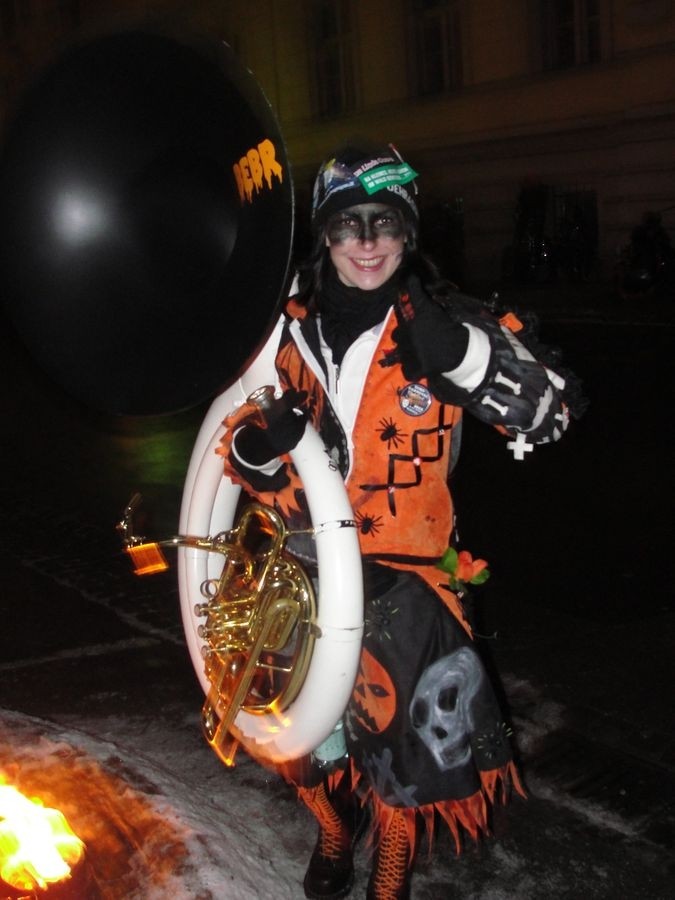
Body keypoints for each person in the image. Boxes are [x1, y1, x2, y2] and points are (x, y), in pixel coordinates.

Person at [217, 144, 584, 900]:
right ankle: (331, 828)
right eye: (347, 223)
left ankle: (388, 882)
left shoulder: (446, 323)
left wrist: (466, 357)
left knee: (403, 766)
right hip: (303, 576)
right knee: (292, 743)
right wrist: (256, 452)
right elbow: (235, 444)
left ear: (408, 232)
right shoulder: (282, 328)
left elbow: (551, 413)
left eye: (384, 222)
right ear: (324, 234)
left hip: (403, 586)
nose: (366, 242)